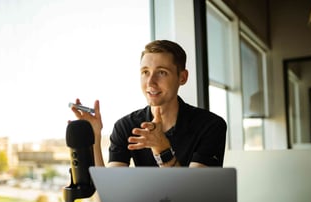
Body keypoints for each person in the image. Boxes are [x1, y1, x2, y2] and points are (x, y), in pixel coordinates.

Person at [71, 40, 227, 168]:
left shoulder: (211, 126)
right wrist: (95, 137)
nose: (150, 82)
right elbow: (105, 198)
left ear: (182, 77)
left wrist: (162, 149)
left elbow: (193, 195)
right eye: (145, 72)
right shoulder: (126, 126)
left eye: (162, 72)